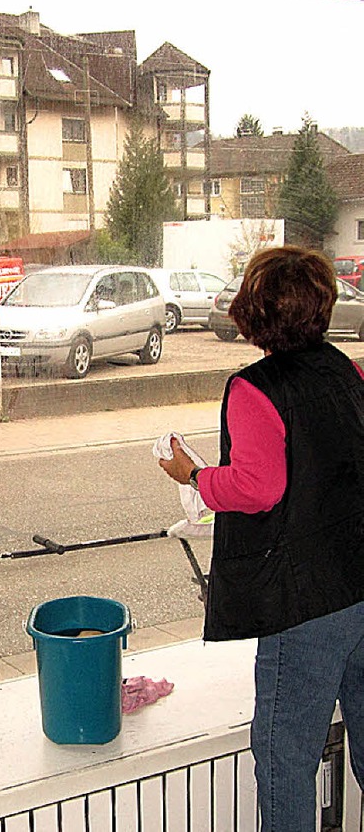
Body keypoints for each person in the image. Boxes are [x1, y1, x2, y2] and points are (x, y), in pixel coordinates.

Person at [158, 246, 364, 831]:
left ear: (252, 311)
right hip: (360, 583)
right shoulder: (347, 369)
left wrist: (196, 476)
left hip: (307, 606)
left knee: (285, 760)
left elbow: (258, 488)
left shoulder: (255, 388)